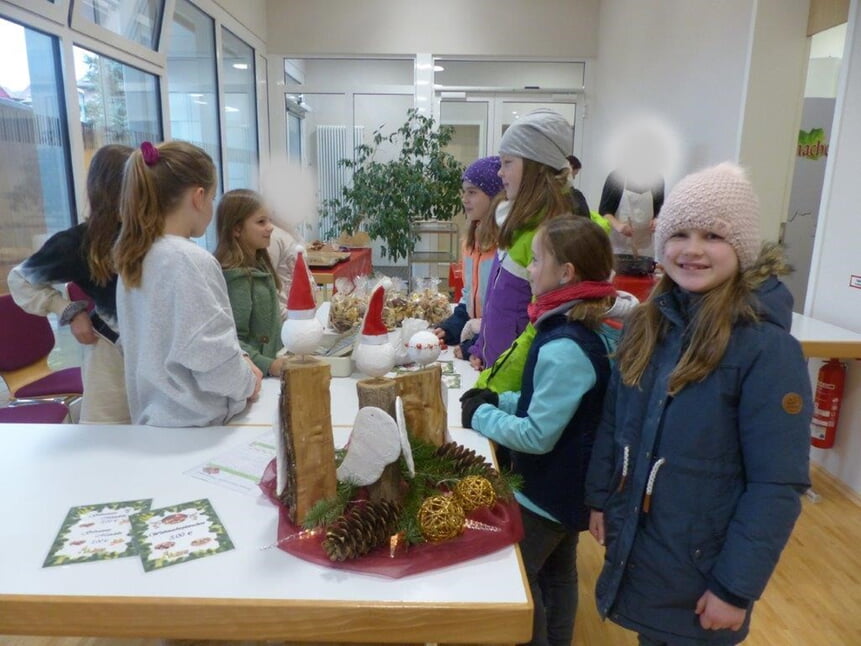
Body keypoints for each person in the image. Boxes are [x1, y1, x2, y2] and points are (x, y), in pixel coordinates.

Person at [585, 162, 812, 645]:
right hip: (651, 552)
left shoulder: (767, 351)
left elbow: (776, 484)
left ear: (743, 248)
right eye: (679, 233)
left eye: (713, 235)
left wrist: (734, 588)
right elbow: (615, 421)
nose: (691, 250)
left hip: (707, 569)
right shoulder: (648, 326)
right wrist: (601, 496)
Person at [460, 215, 619, 646]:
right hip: (570, 491)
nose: (528, 269)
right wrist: (499, 401)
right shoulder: (583, 332)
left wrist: (479, 416)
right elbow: (546, 403)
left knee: (524, 583)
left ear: (564, 273)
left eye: (536, 261)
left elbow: (536, 434)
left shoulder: (565, 346)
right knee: (558, 575)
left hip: (546, 493)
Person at [114, 141, 262, 427]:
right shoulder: (188, 259)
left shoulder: (135, 257)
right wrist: (247, 381)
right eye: (212, 199)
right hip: (196, 430)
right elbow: (212, 360)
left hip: (155, 423)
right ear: (199, 197)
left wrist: (239, 359)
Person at [8, 144, 133, 423]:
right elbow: (20, 279)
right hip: (109, 357)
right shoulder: (80, 241)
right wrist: (69, 310)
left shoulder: (154, 236)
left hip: (152, 356)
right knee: (108, 441)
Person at [468, 108, 574, 371]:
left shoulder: (549, 236)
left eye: (507, 163)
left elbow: (536, 333)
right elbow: (498, 306)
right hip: (497, 371)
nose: (500, 173)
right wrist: (480, 347)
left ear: (535, 167)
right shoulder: (516, 227)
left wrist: (493, 382)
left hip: (515, 383)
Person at [433, 156, 503, 358]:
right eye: (464, 192)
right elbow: (468, 297)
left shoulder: (506, 248)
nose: (464, 199)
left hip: (493, 346)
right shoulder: (470, 243)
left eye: (472, 192)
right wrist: (451, 328)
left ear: (495, 197)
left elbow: (507, 314)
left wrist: (477, 345)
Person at [214, 189, 287, 378]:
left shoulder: (259, 264)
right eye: (261, 222)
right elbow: (233, 339)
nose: (270, 227)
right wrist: (270, 365)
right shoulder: (236, 277)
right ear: (237, 229)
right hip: (253, 374)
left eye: (269, 220)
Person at [599, 169, 664, 258]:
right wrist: (619, 226)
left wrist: (657, 220)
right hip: (618, 247)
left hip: (645, 247)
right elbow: (604, 211)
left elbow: (659, 211)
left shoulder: (658, 181)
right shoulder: (616, 178)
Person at [268, 222, 313, 318]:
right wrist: (291, 317)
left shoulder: (291, 232)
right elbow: (268, 287)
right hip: (287, 318)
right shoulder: (273, 237)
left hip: (302, 313)